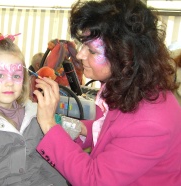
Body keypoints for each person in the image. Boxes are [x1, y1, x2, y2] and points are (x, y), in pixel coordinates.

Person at [33, 0, 181, 185]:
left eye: (92, 51)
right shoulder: (128, 85)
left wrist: (49, 124)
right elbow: (109, 129)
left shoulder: (152, 123)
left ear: (124, 55)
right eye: (82, 45)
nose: (79, 55)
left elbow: (94, 180)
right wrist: (77, 128)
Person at [0, 32, 67, 186]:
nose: (9, 83)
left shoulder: (33, 114)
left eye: (16, 76)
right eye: (0, 75)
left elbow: (46, 162)